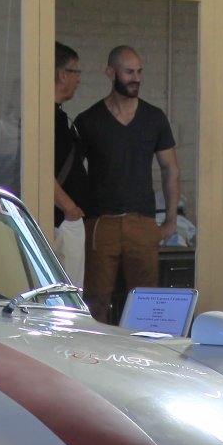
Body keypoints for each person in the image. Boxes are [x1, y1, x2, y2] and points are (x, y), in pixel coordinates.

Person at [73, 45, 180, 323]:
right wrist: (76, 215)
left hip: (142, 221)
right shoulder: (89, 120)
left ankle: (142, 349)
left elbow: (170, 168)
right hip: (101, 223)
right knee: (96, 299)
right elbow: (70, 171)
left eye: (139, 71)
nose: (137, 78)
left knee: (146, 300)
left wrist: (171, 220)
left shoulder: (154, 118)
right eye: (129, 72)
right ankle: (94, 347)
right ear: (111, 73)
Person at [51, 43, 90, 285]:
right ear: (63, 74)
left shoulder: (59, 117)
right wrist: (70, 209)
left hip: (65, 219)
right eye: (76, 72)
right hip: (61, 221)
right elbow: (41, 171)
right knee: (67, 291)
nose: (79, 80)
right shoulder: (48, 119)